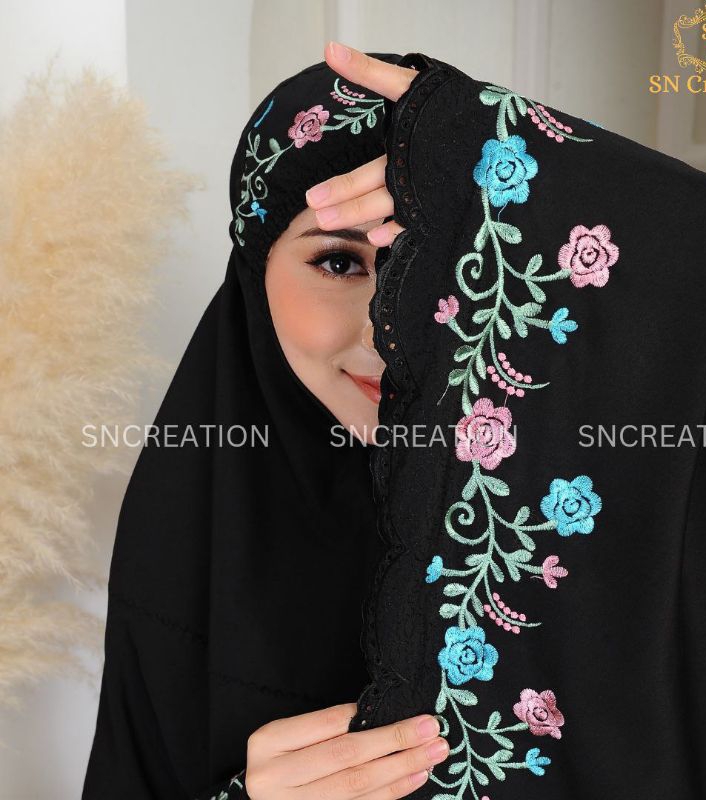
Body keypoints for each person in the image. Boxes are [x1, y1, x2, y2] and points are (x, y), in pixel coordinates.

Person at [82, 45, 449, 800]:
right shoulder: (186, 528)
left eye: (434, 263)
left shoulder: (579, 491)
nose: (389, 332)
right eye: (341, 264)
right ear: (256, 273)